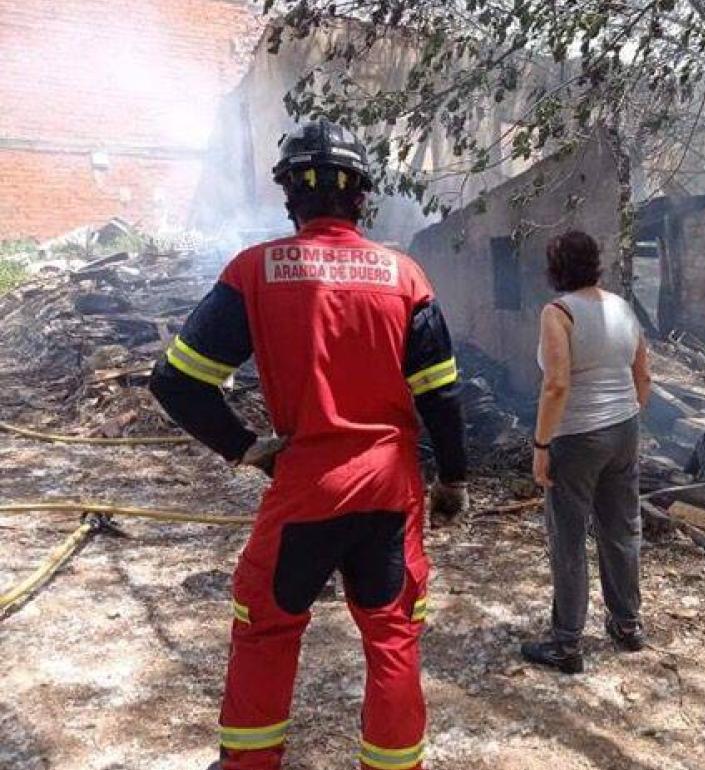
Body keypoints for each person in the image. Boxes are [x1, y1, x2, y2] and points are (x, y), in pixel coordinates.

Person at [150, 119, 468, 770]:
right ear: (361, 198)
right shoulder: (405, 277)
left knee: (265, 628)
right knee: (392, 637)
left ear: (289, 196)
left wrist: (245, 447)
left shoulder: (254, 272)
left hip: (302, 491)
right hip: (389, 488)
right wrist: (454, 480)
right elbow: (441, 394)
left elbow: (176, 382)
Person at [520, 230, 651, 674]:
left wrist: (541, 445)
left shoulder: (558, 313)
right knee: (621, 530)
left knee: (569, 538)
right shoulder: (623, 308)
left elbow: (556, 385)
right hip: (624, 429)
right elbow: (644, 377)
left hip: (576, 437)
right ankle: (628, 625)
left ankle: (567, 643)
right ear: (596, 263)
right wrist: (626, 418)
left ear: (556, 268)